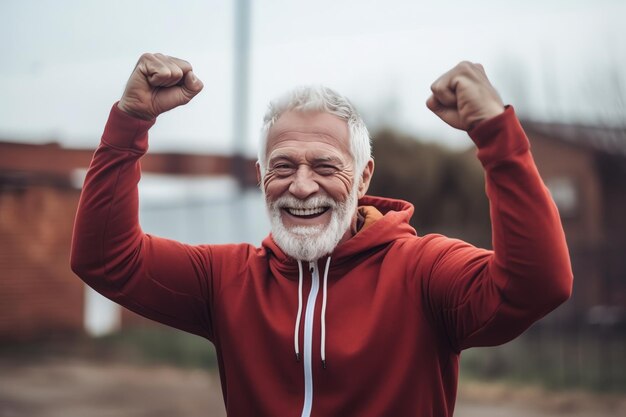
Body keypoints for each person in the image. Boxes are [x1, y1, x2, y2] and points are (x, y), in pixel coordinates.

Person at [71, 53, 573, 417]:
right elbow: (105, 260)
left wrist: (495, 136)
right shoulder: (226, 279)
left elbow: (537, 285)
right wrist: (131, 121)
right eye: (282, 165)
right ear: (261, 176)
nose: (302, 185)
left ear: (364, 177)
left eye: (325, 165)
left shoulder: (422, 272)